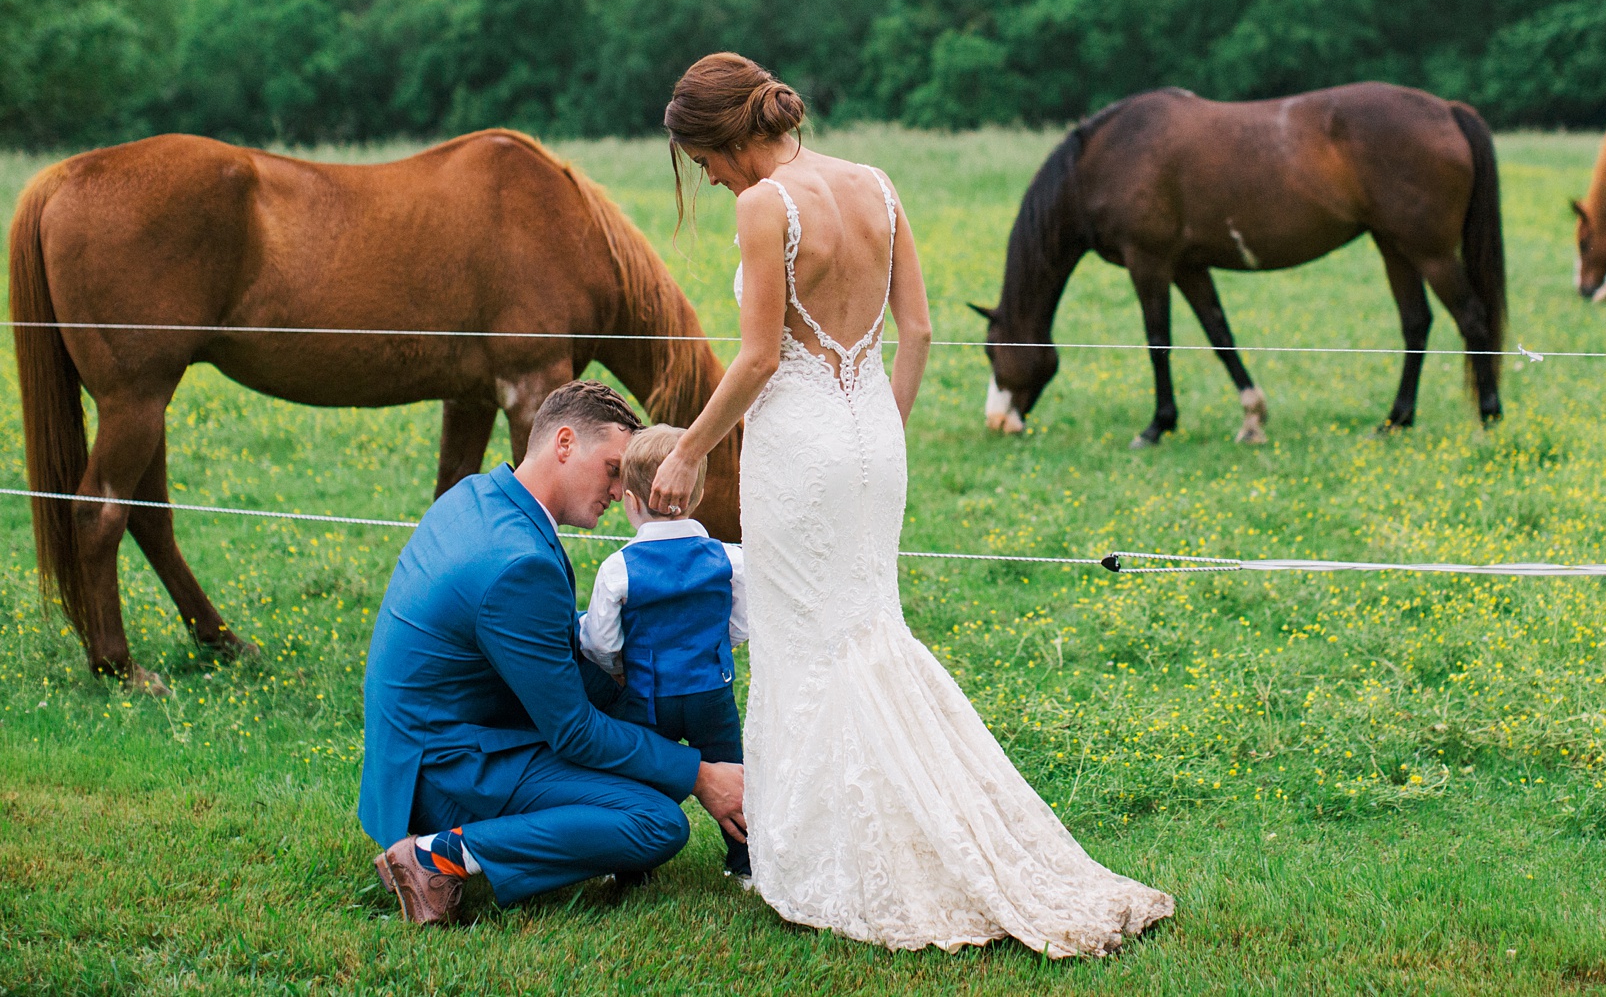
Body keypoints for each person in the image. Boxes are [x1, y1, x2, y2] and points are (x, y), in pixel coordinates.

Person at [647, 53, 1173, 957]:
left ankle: (825, 858)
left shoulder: (765, 205)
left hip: (799, 447)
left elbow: (763, 357)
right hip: (870, 439)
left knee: (809, 643)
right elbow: (918, 331)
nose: (712, 178)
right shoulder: (877, 187)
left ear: (727, 135)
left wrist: (688, 450)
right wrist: (875, 427)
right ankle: (880, 836)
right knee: (868, 631)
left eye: (704, 161)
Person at [358, 380, 746, 925]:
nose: (622, 491)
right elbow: (574, 732)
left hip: (437, 741)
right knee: (656, 822)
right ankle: (435, 857)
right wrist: (701, 775)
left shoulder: (482, 496)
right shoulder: (519, 564)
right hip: (448, 769)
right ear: (564, 443)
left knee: (640, 720)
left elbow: (556, 654)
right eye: (614, 468)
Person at [579, 424, 752, 883]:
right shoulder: (729, 558)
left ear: (631, 502)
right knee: (733, 772)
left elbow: (598, 641)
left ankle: (632, 865)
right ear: (695, 497)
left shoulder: (618, 568)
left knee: (638, 775)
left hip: (646, 697)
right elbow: (742, 621)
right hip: (711, 694)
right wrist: (717, 644)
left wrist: (619, 667)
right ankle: (746, 864)